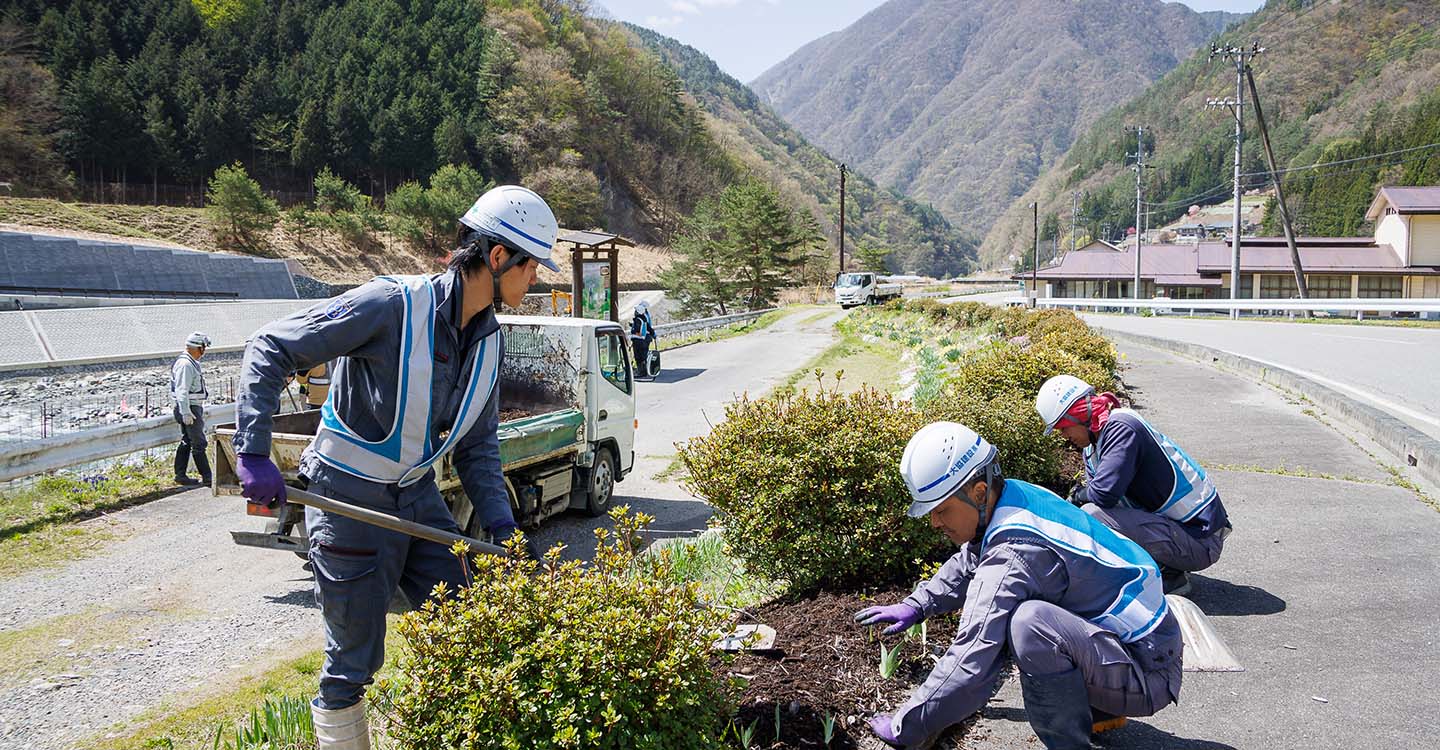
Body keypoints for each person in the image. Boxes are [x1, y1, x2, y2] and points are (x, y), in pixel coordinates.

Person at [231, 185, 557, 750]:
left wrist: (505, 529)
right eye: (532, 267)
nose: (537, 280)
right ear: (499, 256)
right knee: (353, 659)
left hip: (416, 495)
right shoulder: (390, 305)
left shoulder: (488, 343)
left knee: (468, 623)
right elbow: (269, 346)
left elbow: (478, 450)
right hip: (348, 497)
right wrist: (253, 450)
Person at [855, 421, 1181, 750]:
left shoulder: (1014, 554)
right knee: (1033, 620)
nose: (935, 522)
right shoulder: (1013, 496)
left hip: (1149, 672)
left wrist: (907, 725)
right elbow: (972, 560)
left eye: (941, 510)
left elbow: (972, 657)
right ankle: (1096, 710)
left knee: (1030, 625)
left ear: (979, 493)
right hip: (1144, 646)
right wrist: (918, 604)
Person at [1034, 374, 1232, 595]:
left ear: (1078, 415)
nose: (1064, 436)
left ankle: (1166, 575)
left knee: (1093, 514)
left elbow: (1102, 495)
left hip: (1201, 540)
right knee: (1090, 514)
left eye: (1063, 428)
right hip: (1180, 533)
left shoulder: (1122, 427)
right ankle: (1153, 569)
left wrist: (1077, 495)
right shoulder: (1092, 448)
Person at [171, 331, 213, 486]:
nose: (204, 351)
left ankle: (180, 475)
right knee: (199, 443)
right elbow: (182, 390)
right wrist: (186, 412)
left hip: (189, 407)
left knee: (187, 441)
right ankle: (207, 476)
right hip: (190, 408)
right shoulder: (186, 364)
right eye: (204, 348)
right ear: (198, 347)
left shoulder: (189, 362)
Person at [629, 300, 656, 378]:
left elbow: (636, 330)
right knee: (643, 356)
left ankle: (641, 372)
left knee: (638, 357)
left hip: (638, 340)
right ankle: (644, 371)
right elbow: (649, 327)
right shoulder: (644, 317)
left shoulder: (638, 319)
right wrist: (653, 334)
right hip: (644, 339)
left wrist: (632, 330)